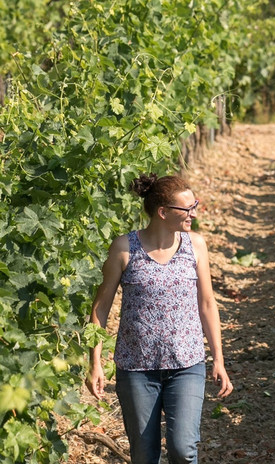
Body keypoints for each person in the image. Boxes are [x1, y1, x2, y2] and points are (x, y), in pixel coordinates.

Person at [86, 173, 233, 464]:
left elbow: (206, 303)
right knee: (144, 455)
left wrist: (218, 357)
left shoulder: (196, 246)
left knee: (182, 449)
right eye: (187, 209)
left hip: (186, 364)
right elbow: (100, 309)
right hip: (136, 368)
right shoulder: (124, 249)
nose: (194, 213)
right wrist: (95, 363)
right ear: (163, 212)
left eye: (195, 205)